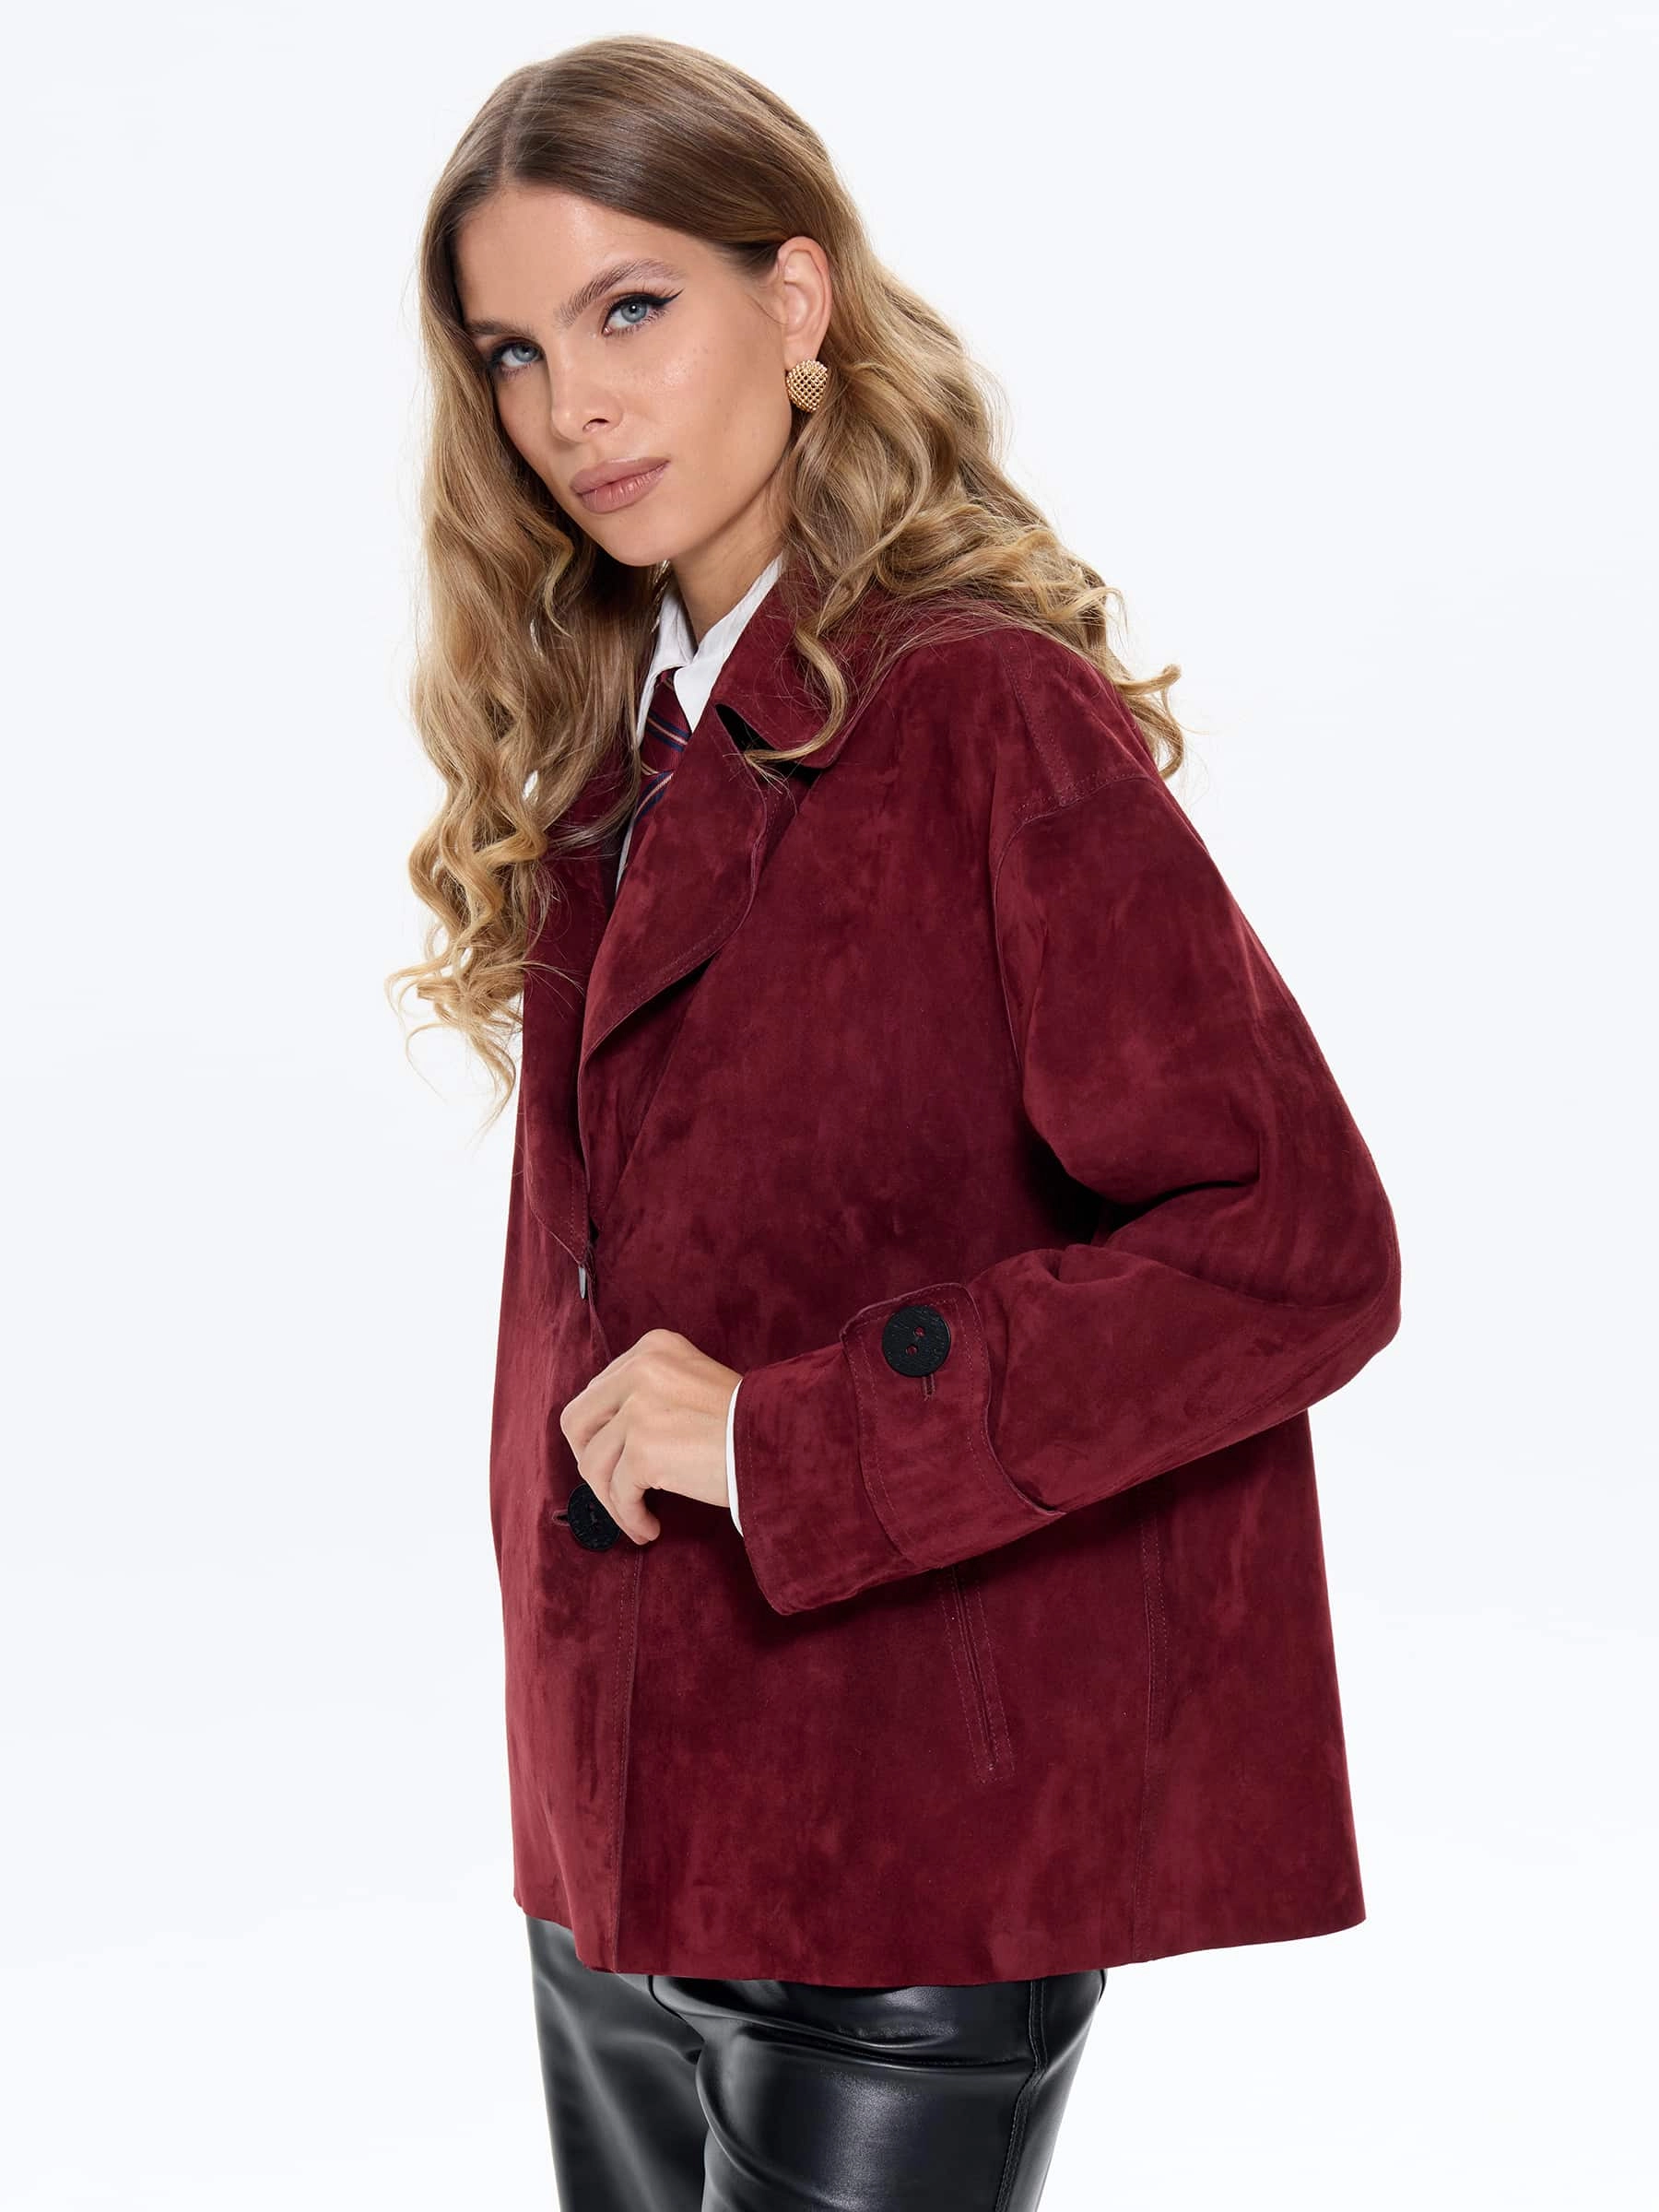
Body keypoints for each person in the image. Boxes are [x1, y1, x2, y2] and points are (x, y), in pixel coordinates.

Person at [391, 33, 1403, 2212]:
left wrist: (792, 1437)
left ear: (798, 298)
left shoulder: (977, 714)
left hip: (906, 1873)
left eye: (631, 308)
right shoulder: (612, 755)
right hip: (610, 1858)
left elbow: (1292, 1245)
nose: (572, 406)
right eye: (514, 350)